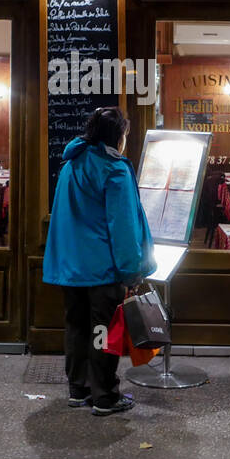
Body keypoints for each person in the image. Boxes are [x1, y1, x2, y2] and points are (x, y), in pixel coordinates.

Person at [43, 107, 157, 417]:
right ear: (118, 136)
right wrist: (132, 271)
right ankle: (105, 395)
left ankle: (78, 389)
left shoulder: (72, 162)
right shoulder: (114, 169)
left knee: (77, 327)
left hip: (71, 266)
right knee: (102, 332)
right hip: (102, 268)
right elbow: (123, 227)